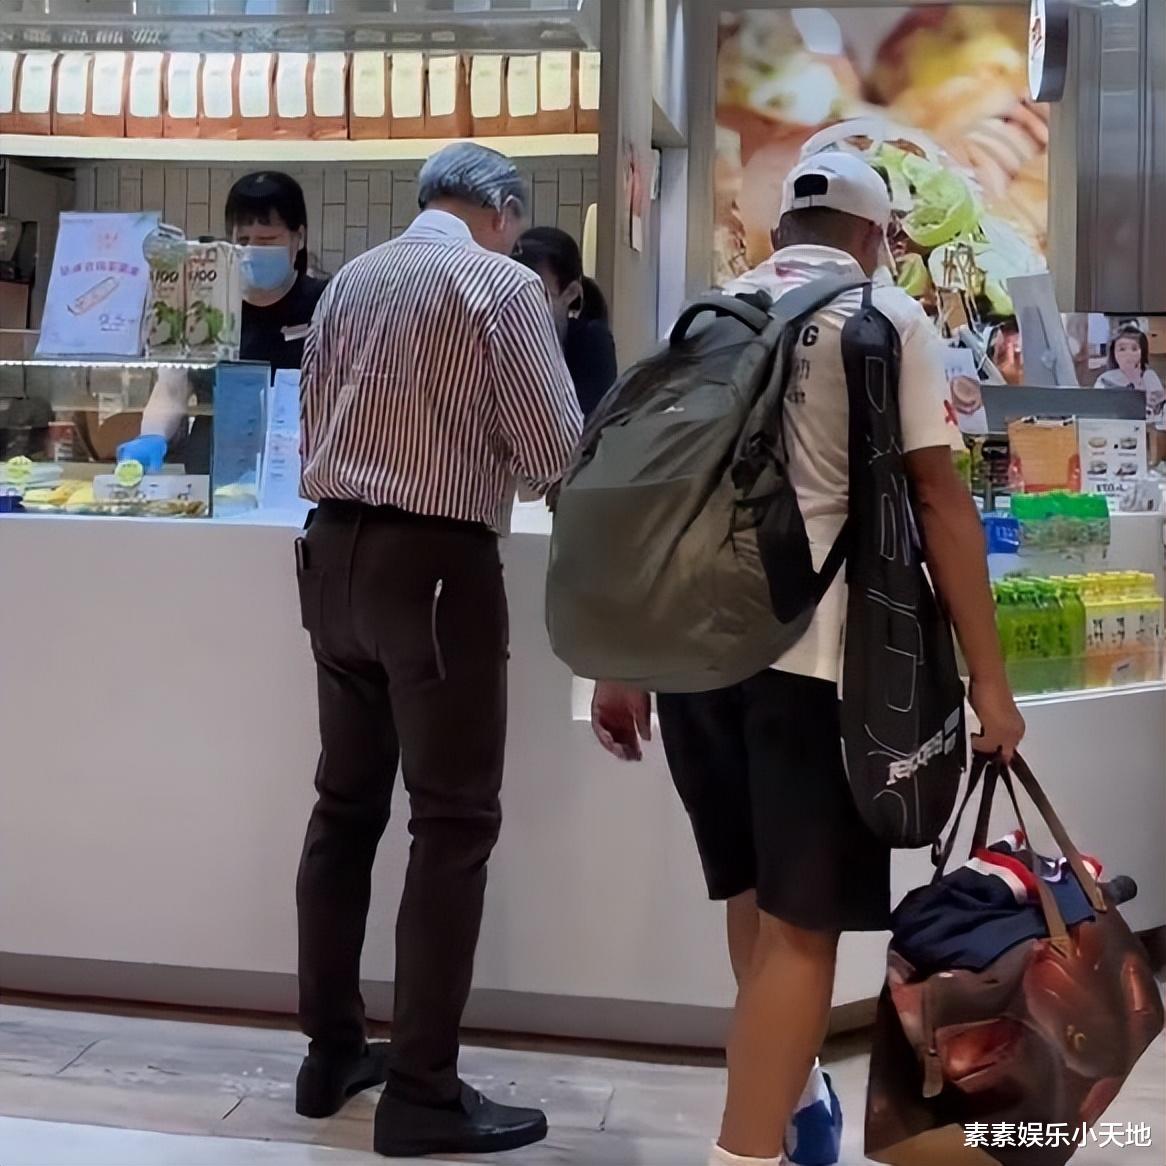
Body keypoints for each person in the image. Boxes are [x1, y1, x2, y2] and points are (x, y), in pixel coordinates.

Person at [589, 151, 1025, 1166]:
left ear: (781, 230)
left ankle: (791, 1108)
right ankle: (743, 1153)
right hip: (820, 666)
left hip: (696, 658)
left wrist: (618, 660)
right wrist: (987, 680)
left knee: (754, 898)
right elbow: (936, 501)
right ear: (875, 238)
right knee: (803, 927)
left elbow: (644, 496)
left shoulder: (704, 317)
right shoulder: (883, 322)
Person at [294, 143, 581, 1159]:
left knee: (343, 808)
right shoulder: (498, 285)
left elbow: (307, 426)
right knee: (452, 822)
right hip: (435, 565)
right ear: (502, 211)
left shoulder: (350, 281)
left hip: (329, 554)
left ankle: (330, 1051)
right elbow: (553, 453)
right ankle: (421, 1090)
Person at [119, 171, 326, 472]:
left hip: (296, 471)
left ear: (299, 237)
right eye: (243, 240)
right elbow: (172, 388)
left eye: (268, 240)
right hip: (212, 472)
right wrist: (151, 437)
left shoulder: (326, 303)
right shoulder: (203, 303)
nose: (253, 250)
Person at [513, 226, 618, 418]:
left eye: (535, 292)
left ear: (571, 293)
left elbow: (585, 425)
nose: (520, 302)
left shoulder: (592, 342)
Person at [1094, 324, 1166, 426]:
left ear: (1142, 352)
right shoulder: (1105, 379)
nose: (1128, 354)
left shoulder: (1149, 376)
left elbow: (1159, 411)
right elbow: (1098, 409)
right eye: (1122, 349)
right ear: (1113, 353)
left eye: (1134, 349)